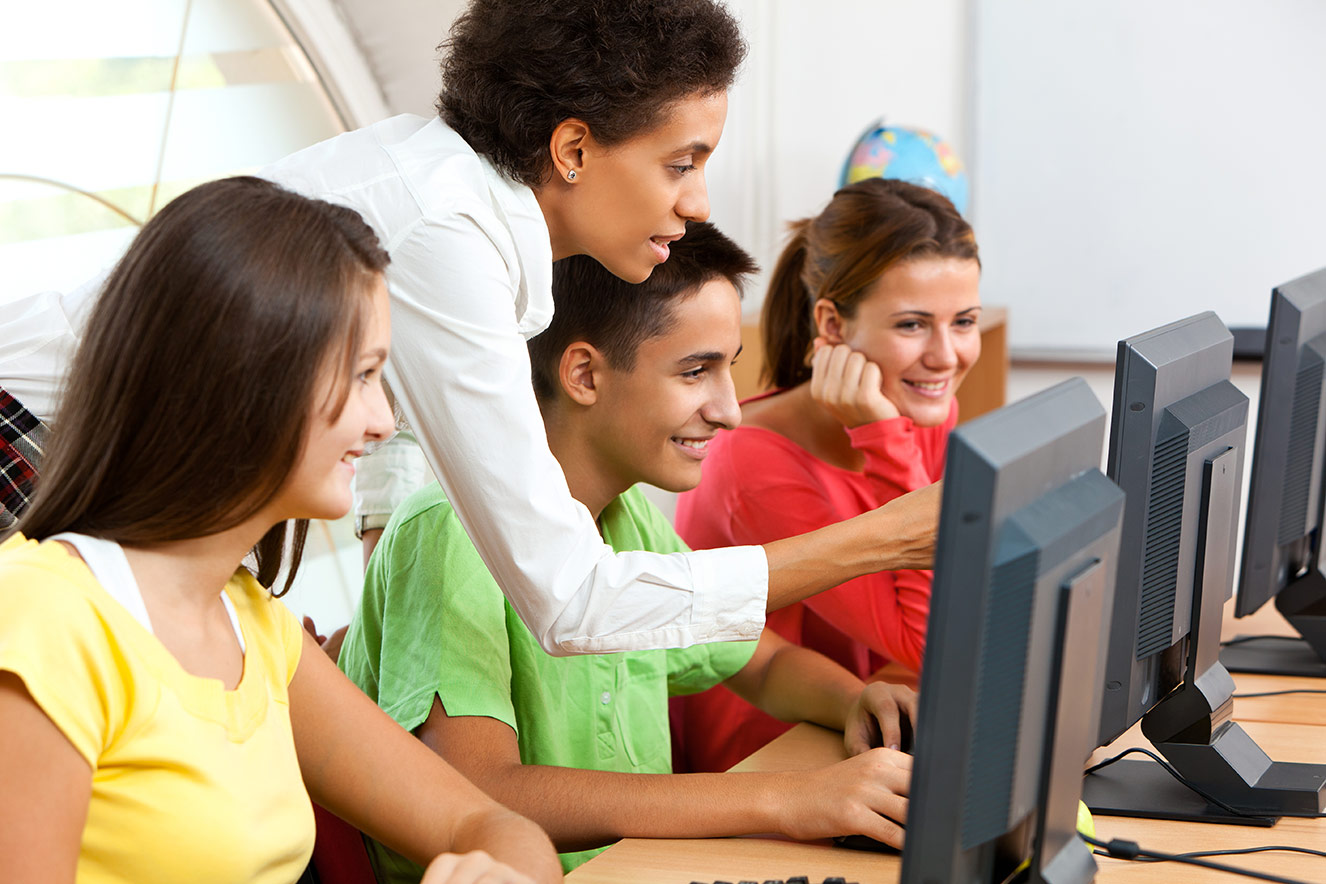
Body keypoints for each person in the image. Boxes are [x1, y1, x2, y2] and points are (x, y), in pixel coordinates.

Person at [3, 0, 939, 658]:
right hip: (30, 441)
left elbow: (399, 453)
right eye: (681, 162)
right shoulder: (443, 237)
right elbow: (569, 598)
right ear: (573, 149)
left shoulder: (453, 202)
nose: (697, 202)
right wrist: (885, 539)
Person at [0, 178, 561, 884]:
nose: (383, 421)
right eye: (362, 376)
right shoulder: (44, 617)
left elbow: (491, 825)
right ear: (248, 378)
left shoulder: (257, 630)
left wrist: (495, 874)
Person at [337, 223, 917, 878]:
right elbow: (478, 788)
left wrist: (855, 701)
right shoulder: (451, 527)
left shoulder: (628, 513)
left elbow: (753, 659)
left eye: (730, 366)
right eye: (696, 371)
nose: (729, 411)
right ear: (583, 374)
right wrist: (786, 797)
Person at [671, 178, 981, 773]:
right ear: (832, 325)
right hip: (773, 758)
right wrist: (887, 443)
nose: (946, 356)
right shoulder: (752, 463)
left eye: (963, 321)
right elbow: (927, 640)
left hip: (879, 718)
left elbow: (955, 610)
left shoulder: (922, 404)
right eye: (913, 325)